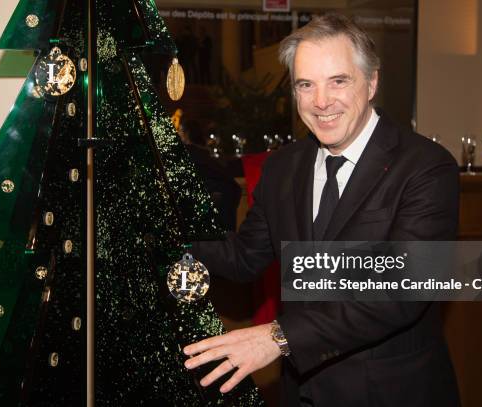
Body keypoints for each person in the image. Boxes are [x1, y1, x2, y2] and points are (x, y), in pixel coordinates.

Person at [183, 15, 461, 406]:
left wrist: (278, 337)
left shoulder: (426, 167)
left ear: (372, 83)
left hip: (391, 393)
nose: (321, 101)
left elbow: (401, 291)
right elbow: (245, 256)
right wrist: (167, 239)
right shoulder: (282, 168)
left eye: (338, 81)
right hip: (304, 391)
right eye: (306, 85)